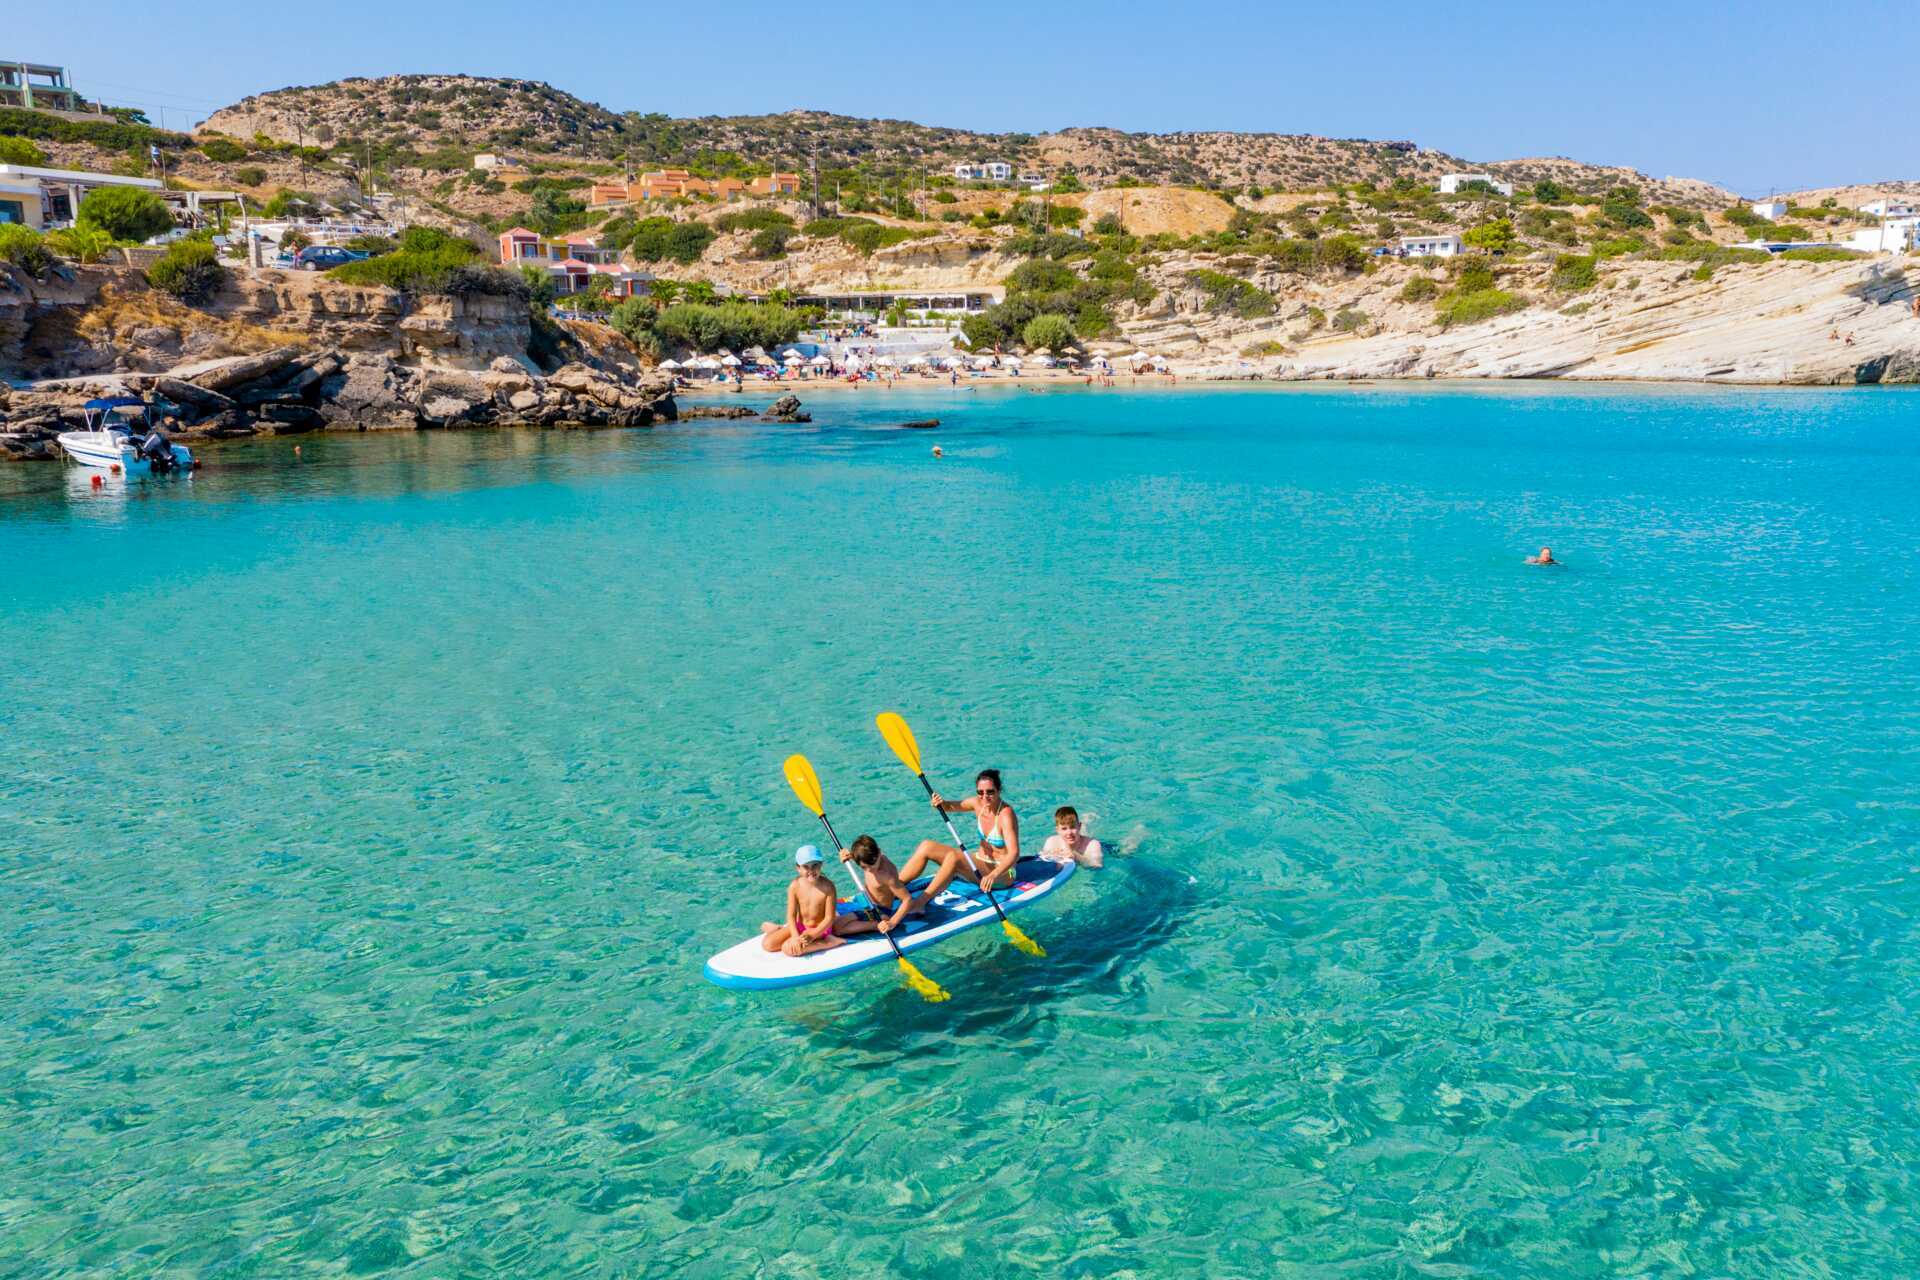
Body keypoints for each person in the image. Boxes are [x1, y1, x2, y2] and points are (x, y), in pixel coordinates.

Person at [902, 768, 1021, 899]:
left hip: (1002, 874)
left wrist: (993, 875)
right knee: (927, 846)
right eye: (980, 792)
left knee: (954, 857)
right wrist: (940, 803)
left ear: (999, 790)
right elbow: (948, 806)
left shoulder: (1006, 815)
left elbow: (1014, 854)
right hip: (979, 862)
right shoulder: (977, 803)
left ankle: (920, 903)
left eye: (990, 792)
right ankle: (895, 887)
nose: (985, 796)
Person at [760, 845, 849, 957]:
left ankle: (829, 942)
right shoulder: (795, 886)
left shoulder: (828, 887)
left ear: (821, 864)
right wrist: (795, 936)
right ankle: (779, 929)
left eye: (815, 865)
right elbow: (791, 916)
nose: (811, 871)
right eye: (806, 867)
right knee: (767, 944)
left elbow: (829, 918)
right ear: (798, 868)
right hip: (800, 926)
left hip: (819, 930)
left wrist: (813, 935)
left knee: (788, 949)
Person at [839, 835, 920, 934]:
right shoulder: (870, 858)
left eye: (872, 865)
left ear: (879, 852)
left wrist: (892, 922)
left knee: (838, 927)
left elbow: (907, 899)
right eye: (864, 867)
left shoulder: (886, 875)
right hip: (865, 901)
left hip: (878, 911)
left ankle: (876, 925)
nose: (869, 870)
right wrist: (850, 855)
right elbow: (864, 857)